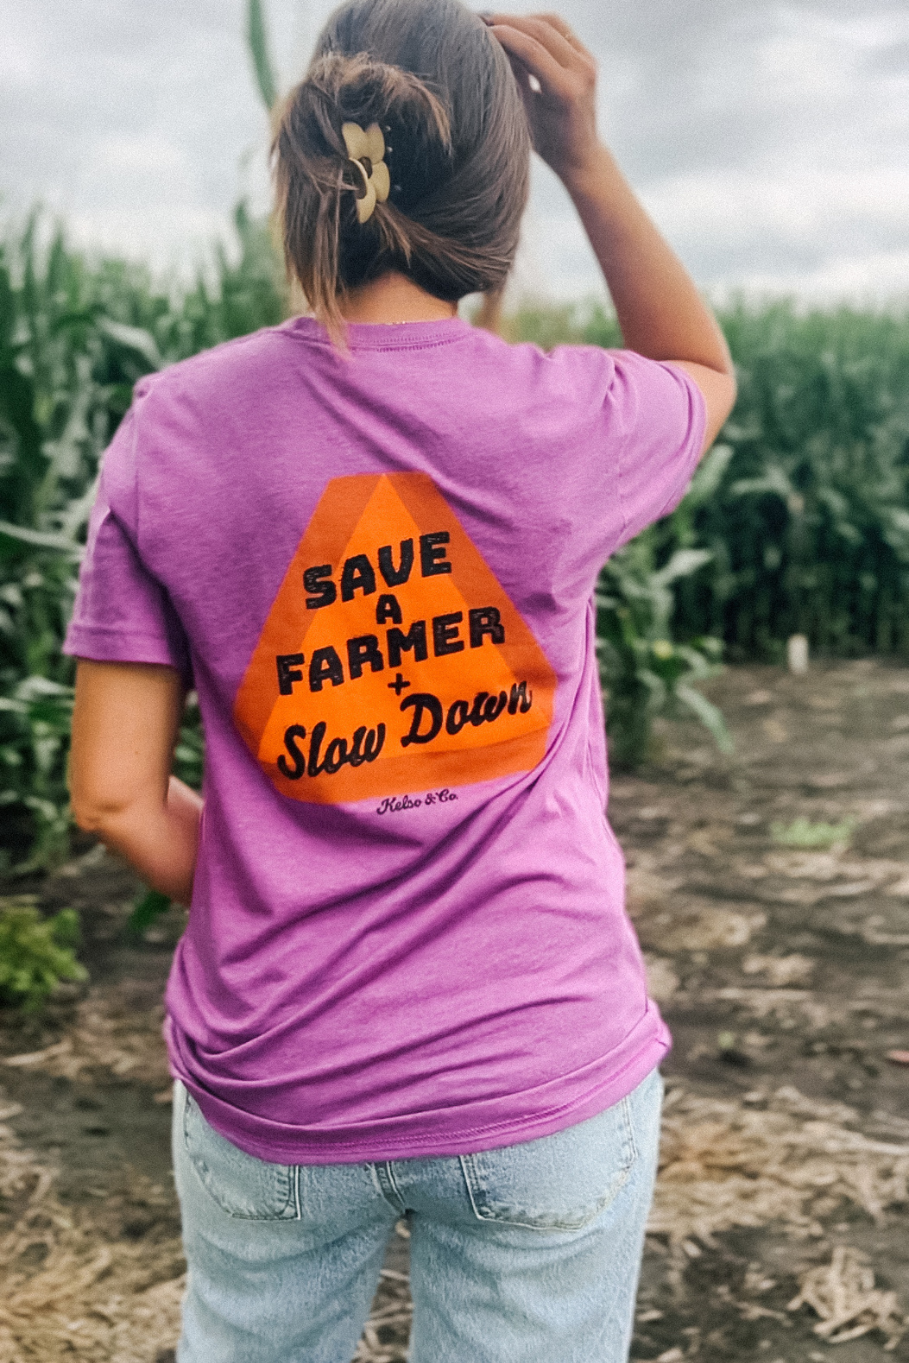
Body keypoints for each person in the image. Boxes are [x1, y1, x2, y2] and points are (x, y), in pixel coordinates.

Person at [66, 1, 736, 1359]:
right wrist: (590, 161)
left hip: (281, 1078)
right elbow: (700, 369)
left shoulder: (174, 429)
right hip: (539, 1063)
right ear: (497, 199)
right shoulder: (567, 419)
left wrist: (278, 893)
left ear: (301, 170)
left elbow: (114, 800)